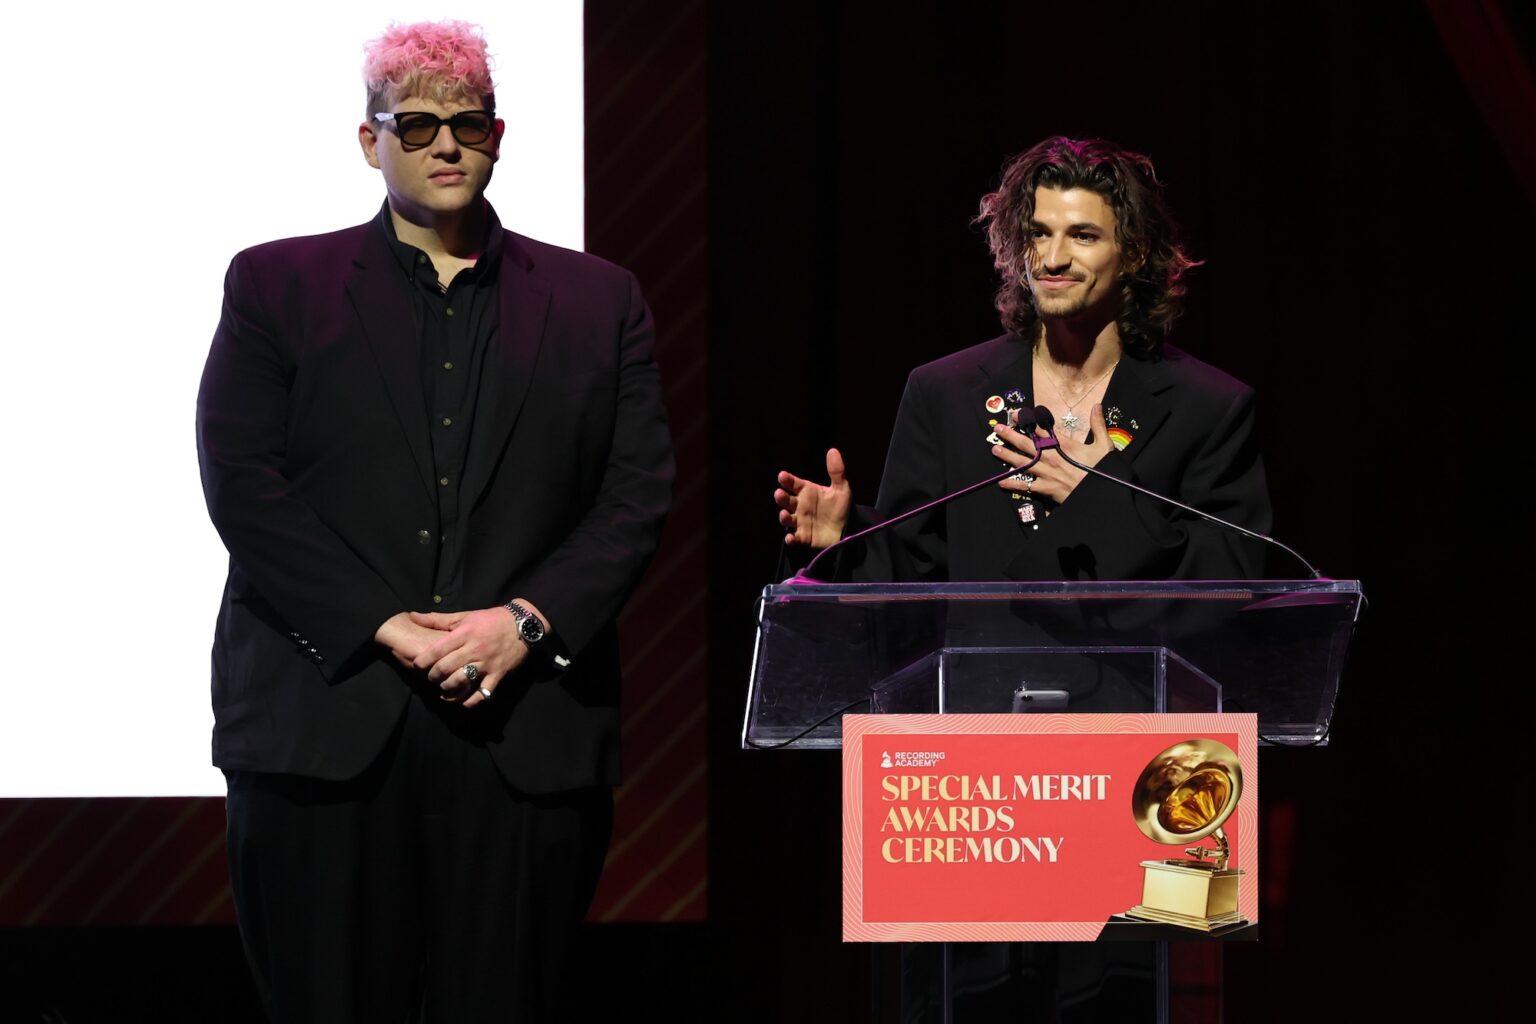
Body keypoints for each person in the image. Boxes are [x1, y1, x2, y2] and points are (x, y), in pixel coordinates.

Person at [195, 20, 673, 1020]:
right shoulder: (276, 286)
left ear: (499, 135)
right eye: (414, 123)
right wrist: (382, 619)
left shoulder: (600, 300)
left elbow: (634, 494)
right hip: (326, 726)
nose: (446, 143)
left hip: (523, 733)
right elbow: (243, 480)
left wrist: (528, 621)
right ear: (370, 141)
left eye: (468, 122)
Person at [775, 136, 1270, 582]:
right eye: (1038, 233)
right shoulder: (945, 392)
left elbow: (1230, 580)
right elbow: (912, 569)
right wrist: (843, 540)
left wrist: (1099, 501)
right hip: (982, 681)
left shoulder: (1207, 407)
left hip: (1139, 680)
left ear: (1135, 252)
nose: (1052, 259)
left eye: (1083, 235)